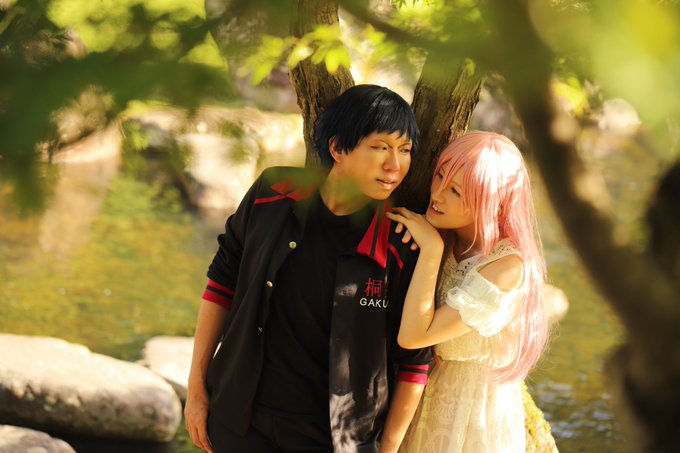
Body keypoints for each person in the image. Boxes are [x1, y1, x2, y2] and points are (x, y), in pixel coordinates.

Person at [184, 84, 432, 453]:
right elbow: (222, 284)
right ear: (337, 148)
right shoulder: (271, 193)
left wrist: (388, 448)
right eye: (380, 147)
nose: (395, 165)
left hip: (333, 440)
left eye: (405, 150)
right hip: (240, 419)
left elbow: (414, 361)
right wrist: (196, 389)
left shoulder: (400, 244)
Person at [385, 131, 550, 452]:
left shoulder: (507, 268)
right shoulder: (447, 236)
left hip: (473, 415)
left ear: (493, 204)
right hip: (418, 399)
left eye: (456, 191)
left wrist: (431, 249)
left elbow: (414, 336)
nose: (437, 193)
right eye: (440, 176)